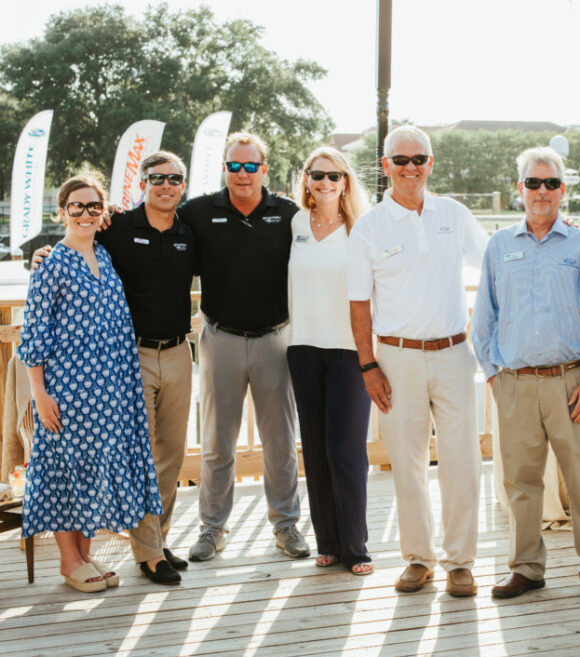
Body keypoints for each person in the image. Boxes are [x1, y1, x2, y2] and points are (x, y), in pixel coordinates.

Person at [32, 152, 198, 586]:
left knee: (169, 455)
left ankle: (155, 541)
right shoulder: (118, 229)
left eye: (174, 179)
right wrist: (44, 254)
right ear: (144, 182)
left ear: (183, 184)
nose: (166, 185)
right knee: (133, 455)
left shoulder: (189, 230)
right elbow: (69, 251)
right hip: (129, 361)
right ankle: (146, 554)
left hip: (175, 353)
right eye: (157, 178)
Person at [473, 147, 580, 606]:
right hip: (515, 383)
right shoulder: (499, 246)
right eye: (533, 183)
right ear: (521, 188)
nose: (541, 192)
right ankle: (526, 568)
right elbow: (484, 319)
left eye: (550, 184)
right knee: (520, 481)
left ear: (562, 190)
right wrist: (495, 377)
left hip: (572, 382)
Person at [348, 124, 488, 597]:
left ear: (431, 163)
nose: (411, 168)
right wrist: (368, 365)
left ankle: (460, 563)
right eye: (401, 159)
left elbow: (494, 260)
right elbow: (358, 303)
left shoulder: (454, 214)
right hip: (396, 358)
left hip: (453, 352)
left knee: (462, 461)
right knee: (406, 465)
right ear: (385, 165)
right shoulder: (368, 227)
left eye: (419, 159)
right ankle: (418, 559)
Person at [18, 172, 162, 593]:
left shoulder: (105, 256)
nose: (84, 213)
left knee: (95, 471)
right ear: (61, 212)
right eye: (76, 207)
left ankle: (84, 555)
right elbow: (34, 333)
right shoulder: (51, 265)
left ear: (103, 213)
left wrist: (113, 210)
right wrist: (39, 394)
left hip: (110, 387)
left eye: (93, 206)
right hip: (67, 389)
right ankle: (68, 560)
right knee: (66, 472)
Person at [181, 131, 308, 562]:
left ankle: (286, 525)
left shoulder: (289, 214)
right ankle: (212, 529)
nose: (242, 174)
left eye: (250, 166)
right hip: (221, 340)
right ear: (224, 168)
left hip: (276, 339)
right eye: (234, 166)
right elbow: (153, 224)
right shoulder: (199, 212)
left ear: (263, 169)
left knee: (280, 441)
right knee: (217, 443)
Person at [288, 146, 373, 576]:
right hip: (302, 348)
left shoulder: (362, 228)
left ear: (345, 182)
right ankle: (329, 543)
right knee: (317, 448)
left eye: (333, 176)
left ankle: (356, 546)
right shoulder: (295, 223)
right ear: (306, 179)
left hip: (349, 351)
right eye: (317, 174)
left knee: (347, 449)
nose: (324, 182)